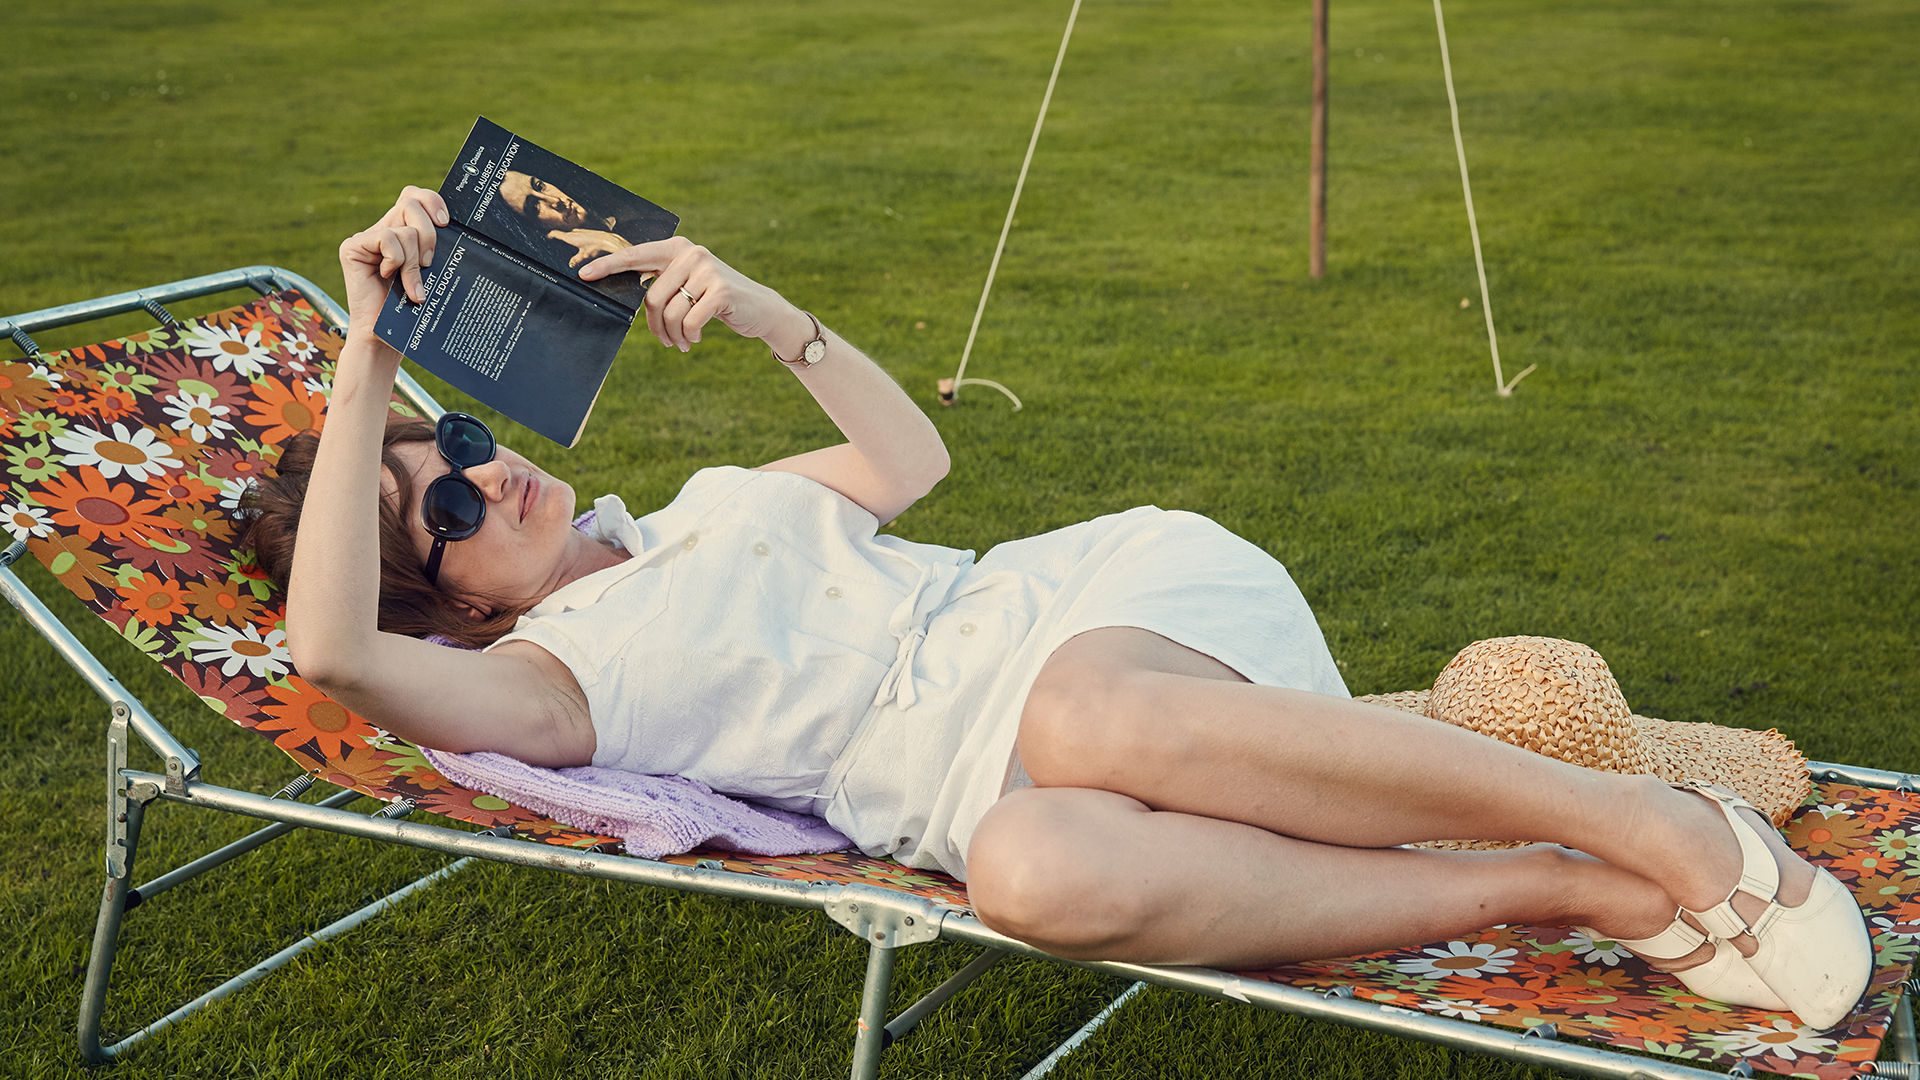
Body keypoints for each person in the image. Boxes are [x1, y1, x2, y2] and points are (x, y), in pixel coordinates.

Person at [247, 187, 1873, 1029]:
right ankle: (1568, 888)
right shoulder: (541, 689)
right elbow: (331, 650)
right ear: (449, 614)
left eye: (462, 444)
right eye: (443, 512)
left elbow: (913, 459)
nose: (491, 479)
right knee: (1030, 873)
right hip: (990, 788)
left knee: (1089, 716)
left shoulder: (706, 506)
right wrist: (368, 349)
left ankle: (1649, 824)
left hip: (1099, 614)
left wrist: (755, 309)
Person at [496, 169, 639, 268]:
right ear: (533, 227)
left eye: (539, 186)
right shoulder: (579, 266)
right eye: (535, 206)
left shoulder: (625, 212)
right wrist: (609, 242)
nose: (555, 200)